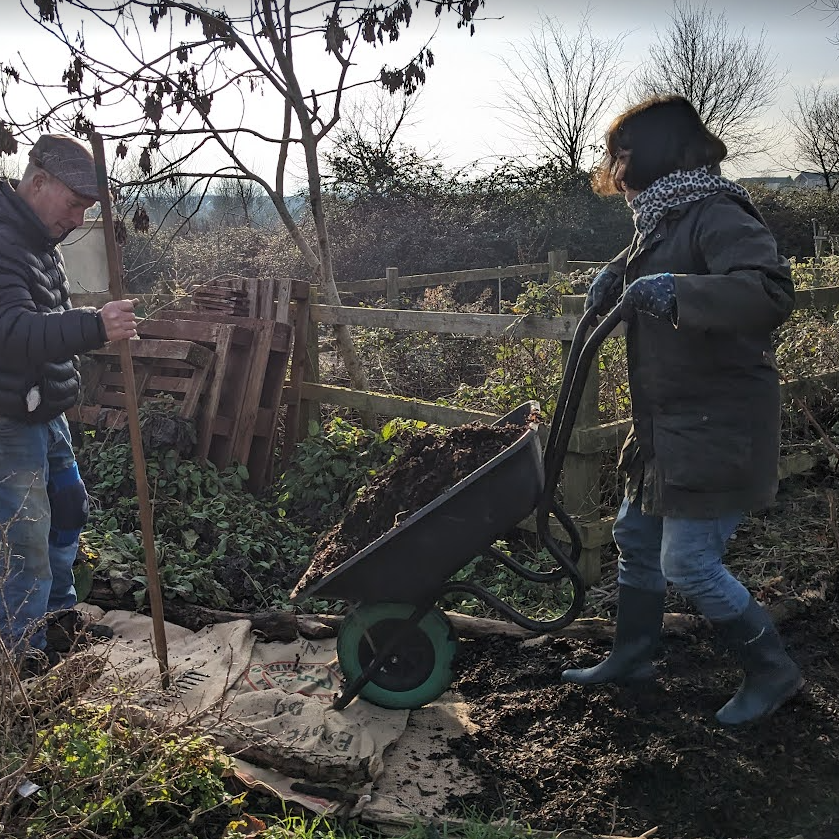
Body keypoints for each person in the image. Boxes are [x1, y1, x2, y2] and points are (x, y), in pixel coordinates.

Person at [560, 96, 803, 727]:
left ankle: (773, 672)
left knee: (687, 561)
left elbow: (770, 291)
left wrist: (676, 293)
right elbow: (663, 260)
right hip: (667, 426)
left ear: (656, 151)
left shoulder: (717, 211)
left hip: (715, 423)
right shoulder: (663, 219)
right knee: (635, 539)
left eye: (622, 152)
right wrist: (616, 272)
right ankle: (632, 655)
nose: (614, 165)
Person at [0, 133, 137, 672]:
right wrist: (96, 326)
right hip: (9, 417)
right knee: (27, 539)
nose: (80, 219)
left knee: (69, 506)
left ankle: (56, 618)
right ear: (37, 182)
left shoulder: (36, 243)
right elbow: (10, 331)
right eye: (75, 204)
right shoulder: (4, 242)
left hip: (41, 411)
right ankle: (21, 653)